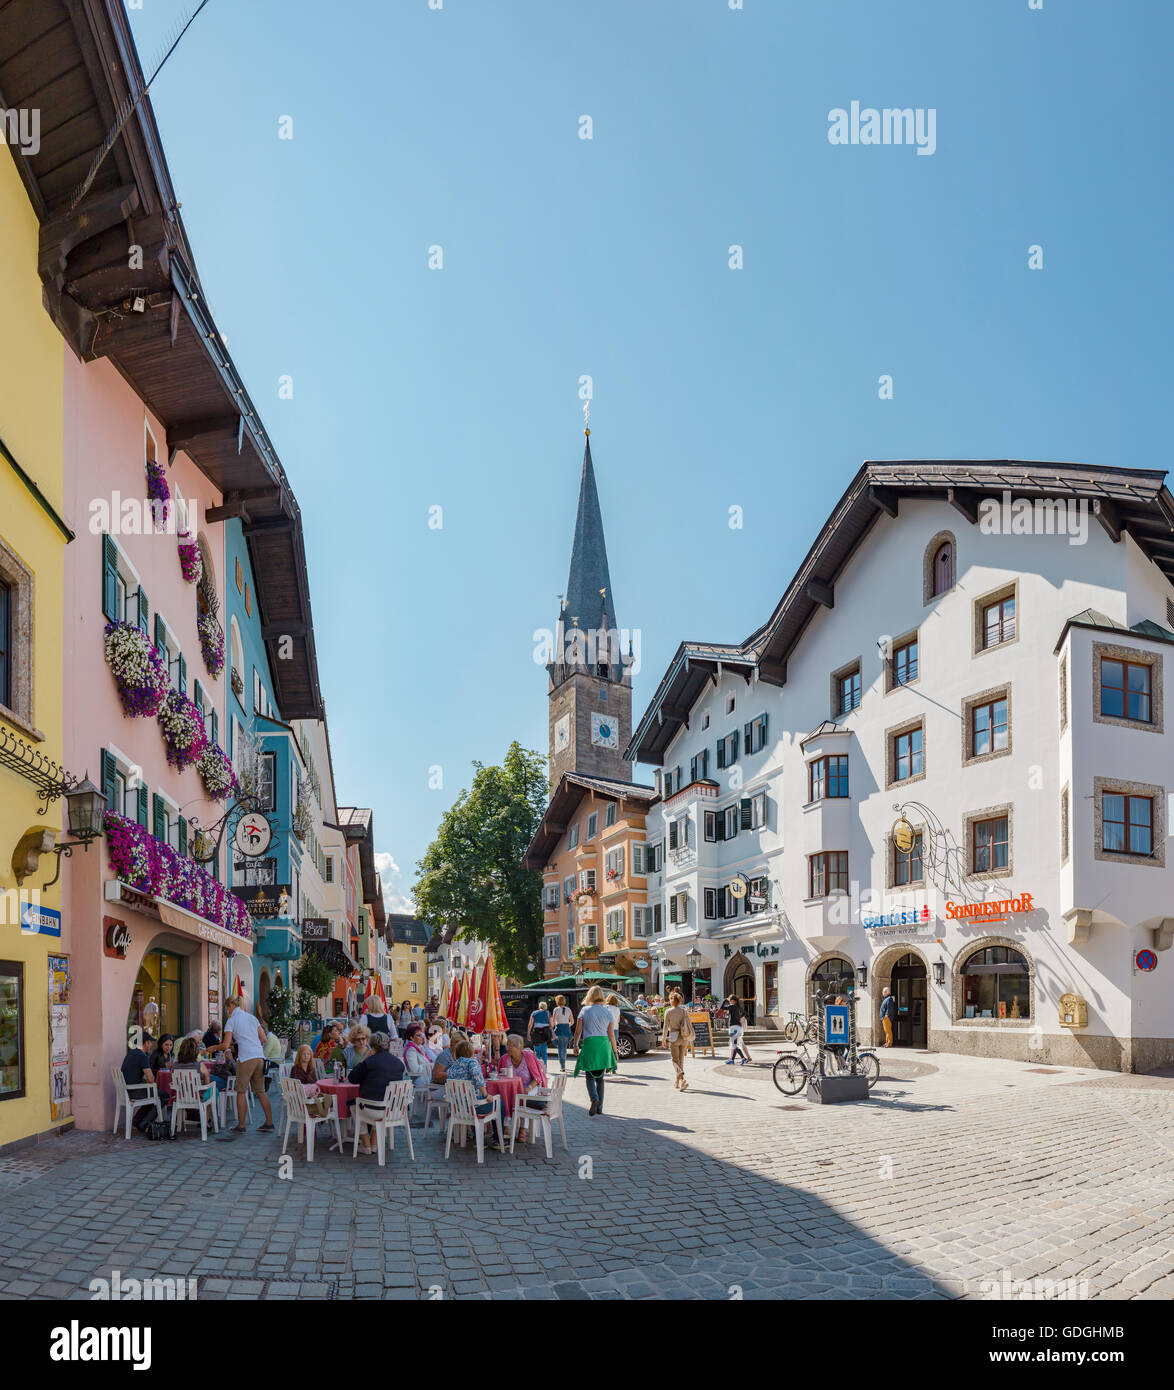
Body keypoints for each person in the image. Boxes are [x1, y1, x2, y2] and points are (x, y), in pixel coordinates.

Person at [216, 996, 275, 1137]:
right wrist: (251, 1043)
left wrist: (212, 1048)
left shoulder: (232, 1020)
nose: (228, 1011)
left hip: (246, 1058)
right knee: (261, 1091)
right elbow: (264, 1038)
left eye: (228, 1008)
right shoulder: (252, 1017)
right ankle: (269, 1123)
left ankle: (241, 1126)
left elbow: (225, 1045)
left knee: (241, 1091)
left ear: (231, 1005)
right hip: (259, 1056)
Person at [347, 1031, 407, 1154]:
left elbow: (352, 1078)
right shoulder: (399, 1063)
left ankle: (367, 1145)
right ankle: (374, 1145)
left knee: (354, 1105)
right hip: (393, 1110)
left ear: (372, 1046)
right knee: (380, 1099)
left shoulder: (369, 1062)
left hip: (373, 1110)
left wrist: (364, 1058)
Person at [573, 985, 618, 1116]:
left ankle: (594, 1099)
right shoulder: (608, 1012)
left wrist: (575, 1045)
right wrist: (615, 1052)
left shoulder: (584, 1010)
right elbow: (611, 1035)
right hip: (603, 1045)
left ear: (589, 996)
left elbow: (578, 1031)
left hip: (590, 1044)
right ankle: (600, 1108)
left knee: (589, 1077)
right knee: (600, 1078)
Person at [120, 1033, 158, 1133]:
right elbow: (151, 1079)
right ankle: (143, 1123)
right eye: (150, 1043)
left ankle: (137, 1121)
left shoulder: (131, 1053)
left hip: (126, 1091)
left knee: (154, 1095)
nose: (151, 1046)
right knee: (162, 1095)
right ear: (146, 1043)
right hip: (134, 1092)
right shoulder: (143, 1056)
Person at [661, 990, 694, 1091]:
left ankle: (681, 1077)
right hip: (683, 1037)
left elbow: (665, 1027)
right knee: (681, 1061)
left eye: (670, 999)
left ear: (672, 1000)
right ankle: (679, 1082)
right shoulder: (684, 1011)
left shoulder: (668, 1011)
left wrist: (663, 1039)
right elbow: (688, 1024)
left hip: (673, 1037)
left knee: (675, 1061)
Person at [504, 1034, 548, 1108]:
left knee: (519, 1099)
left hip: (529, 1088)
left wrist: (529, 1088)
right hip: (511, 1090)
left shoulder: (528, 1057)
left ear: (519, 1048)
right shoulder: (504, 1059)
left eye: (510, 1046)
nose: (507, 1048)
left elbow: (537, 1079)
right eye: (507, 1046)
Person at [724, 994, 750, 1066]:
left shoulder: (734, 1006)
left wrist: (740, 1018)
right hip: (737, 1027)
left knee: (735, 1044)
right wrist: (740, 1017)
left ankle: (744, 1058)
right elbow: (744, 1013)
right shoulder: (737, 1007)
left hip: (735, 1028)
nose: (729, 1001)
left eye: (729, 1000)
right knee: (734, 1044)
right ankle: (732, 1059)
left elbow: (723, 1007)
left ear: (733, 1001)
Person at [551, 995, 574, 1073]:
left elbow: (553, 1022)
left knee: (560, 1048)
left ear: (557, 1001)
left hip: (559, 1029)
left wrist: (551, 1028)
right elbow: (572, 1021)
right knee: (563, 1049)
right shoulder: (569, 1009)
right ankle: (563, 1065)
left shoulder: (556, 1009)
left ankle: (562, 1066)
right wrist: (567, 1025)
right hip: (566, 1030)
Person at [526, 999, 552, 1065]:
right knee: (544, 1051)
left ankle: (537, 1067)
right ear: (545, 1007)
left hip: (536, 1032)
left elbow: (530, 1024)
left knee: (537, 1051)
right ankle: (544, 1067)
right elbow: (552, 1024)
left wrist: (528, 1033)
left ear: (539, 1007)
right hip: (545, 1032)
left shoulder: (534, 1013)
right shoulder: (548, 1013)